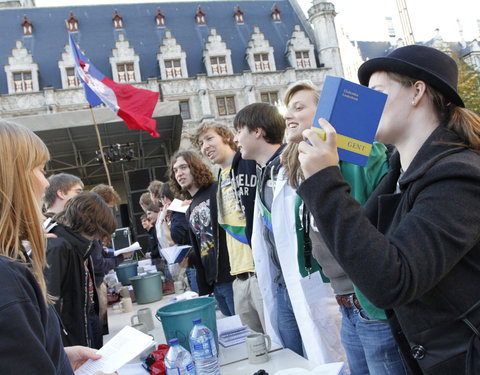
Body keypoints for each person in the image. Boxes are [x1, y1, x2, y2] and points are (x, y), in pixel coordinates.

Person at [297, 45, 480, 374]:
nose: (368, 104)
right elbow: (364, 256)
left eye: (378, 92)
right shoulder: (399, 174)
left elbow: (390, 281)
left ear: (417, 92)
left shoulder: (458, 174)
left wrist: (325, 180)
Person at [282, 80, 405, 373]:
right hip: (345, 306)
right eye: (286, 109)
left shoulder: (363, 157)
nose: (288, 116)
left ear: (326, 111)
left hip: (373, 309)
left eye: (299, 107)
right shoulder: (301, 165)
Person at [0, 119, 108, 373]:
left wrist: (58, 356)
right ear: (11, 179)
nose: (46, 182)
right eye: (38, 169)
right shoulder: (7, 277)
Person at [194, 122, 265, 333]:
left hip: (258, 271)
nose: (205, 146)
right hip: (238, 276)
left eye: (209, 138)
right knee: (256, 345)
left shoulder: (248, 164)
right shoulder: (220, 177)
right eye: (200, 143)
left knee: (280, 343)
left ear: (227, 137)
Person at [45, 192, 117, 349]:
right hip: (70, 337)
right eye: (99, 233)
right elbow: (51, 304)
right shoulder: (59, 247)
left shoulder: (78, 246)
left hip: (83, 322)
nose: (98, 239)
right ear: (89, 222)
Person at [170, 150, 235, 316]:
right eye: (175, 170)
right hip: (214, 282)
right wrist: (188, 259)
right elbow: (201, 244)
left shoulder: (216, 189)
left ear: (195, 167)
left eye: (183, 167)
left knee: (249, 331)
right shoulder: (189, 209)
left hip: (232, 275)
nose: (179, 173)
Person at [158, 183, 198, 293]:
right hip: (192, 259)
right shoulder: (182, 210)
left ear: (165, 198)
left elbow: (172, 239)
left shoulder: (179, 213)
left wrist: (163, 220)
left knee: (198, 295)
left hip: (193, 260)